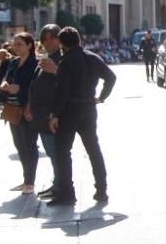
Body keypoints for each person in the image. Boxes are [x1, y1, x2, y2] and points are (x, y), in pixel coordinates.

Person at [48, 26, 116, 205]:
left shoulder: (66, 62)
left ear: (62, 44)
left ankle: (67, 194)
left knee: (63, 152)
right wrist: (101, 97)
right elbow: (111, 77)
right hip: (88, 108)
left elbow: (63, 91)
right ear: (79, 40)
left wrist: (55, 114)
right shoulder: (93, 58)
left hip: (70, 110)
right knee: (93, 149)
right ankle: (101, 190)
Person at [0, 33, 40, 194]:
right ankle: (25, 180)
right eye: (14, 44)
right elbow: (5, 78)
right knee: (19, 145)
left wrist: (20, 89)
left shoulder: (34, 64)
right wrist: (4, 84)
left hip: (27, 108)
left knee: (29, 144)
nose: (16, 47)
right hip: (12, 109)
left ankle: (30, 182)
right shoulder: (13, 63)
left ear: (29, 45)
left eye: (19, 44)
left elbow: (36, 86)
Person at [29, 25, 63, 199]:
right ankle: (57, 184)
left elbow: (69, 85)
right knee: (51, 152)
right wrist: (29, 106)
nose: (49, 42)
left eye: (52, 38)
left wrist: (56, 70)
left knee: (56, 153)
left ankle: (60, 186)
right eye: (45, 39)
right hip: (41, 116)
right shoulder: (46, 59)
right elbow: (35, 84)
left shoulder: (63, 59)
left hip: (53, 116)